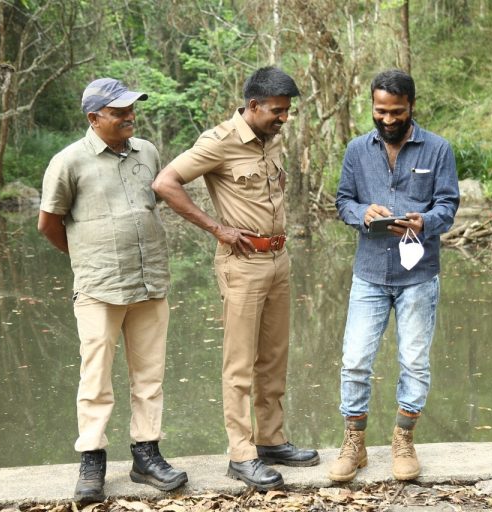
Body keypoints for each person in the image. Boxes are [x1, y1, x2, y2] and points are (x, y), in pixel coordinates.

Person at [152, 66, 319, 490]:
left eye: (286, 112)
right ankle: (241, 455)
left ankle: (271, 440)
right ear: (252, 106)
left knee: (274, 357)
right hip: (241, 263)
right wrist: (216, 228)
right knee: (240, 363)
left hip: (278, 259)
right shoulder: (219, 142)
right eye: (276, 111)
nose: (283, 118)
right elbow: (166, 183)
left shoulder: (271, 141)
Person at [38, 78, 188, 503]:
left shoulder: (147, 152)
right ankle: (92, 460)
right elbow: (49, 224)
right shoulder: (68, 162)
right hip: (99, 288)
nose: (129, 117)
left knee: (149, 375)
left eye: (130, 110)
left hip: (150, 281)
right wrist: (87, 258)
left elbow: (148, 207)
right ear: (94, 118)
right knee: (95, 377)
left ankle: (147, 455)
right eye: (119, 111)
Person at [329, 69, 459, 483]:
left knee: (415, 362)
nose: (387, 119)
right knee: (354, 361)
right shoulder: (356, 150)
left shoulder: (438, 149)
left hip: (419, 274)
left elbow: (448, 205)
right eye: (380, 111)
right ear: (371, 106)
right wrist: (361, 213)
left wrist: (426, 221)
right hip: (369, 272)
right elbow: (343, 200)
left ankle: (403, 440)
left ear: (411, 108)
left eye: (396, 112)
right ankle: (354, 444)